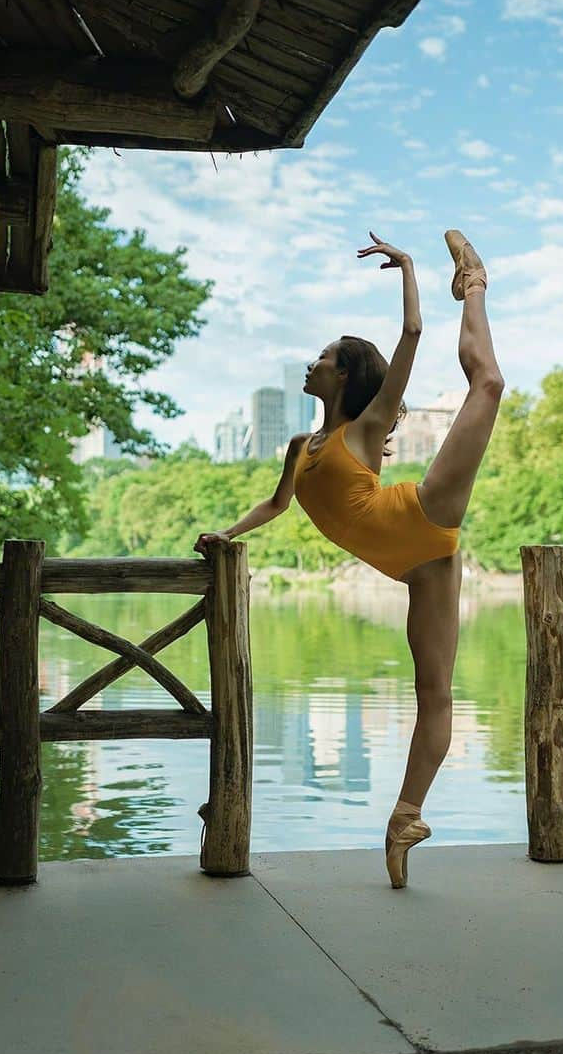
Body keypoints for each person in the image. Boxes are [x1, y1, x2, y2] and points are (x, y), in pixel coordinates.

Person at [194, 230, 503, 888]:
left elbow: (412, 334)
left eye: (322, 357)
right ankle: (403, 822)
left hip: (420, 516)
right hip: (419, 566)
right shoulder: (301, 446)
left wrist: (412, 268)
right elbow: (276, 507)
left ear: (343, 374)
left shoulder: (369, 426)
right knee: (433, 696)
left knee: (490, 386)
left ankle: (472, 282)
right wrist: (225, 534)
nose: (311, 363)